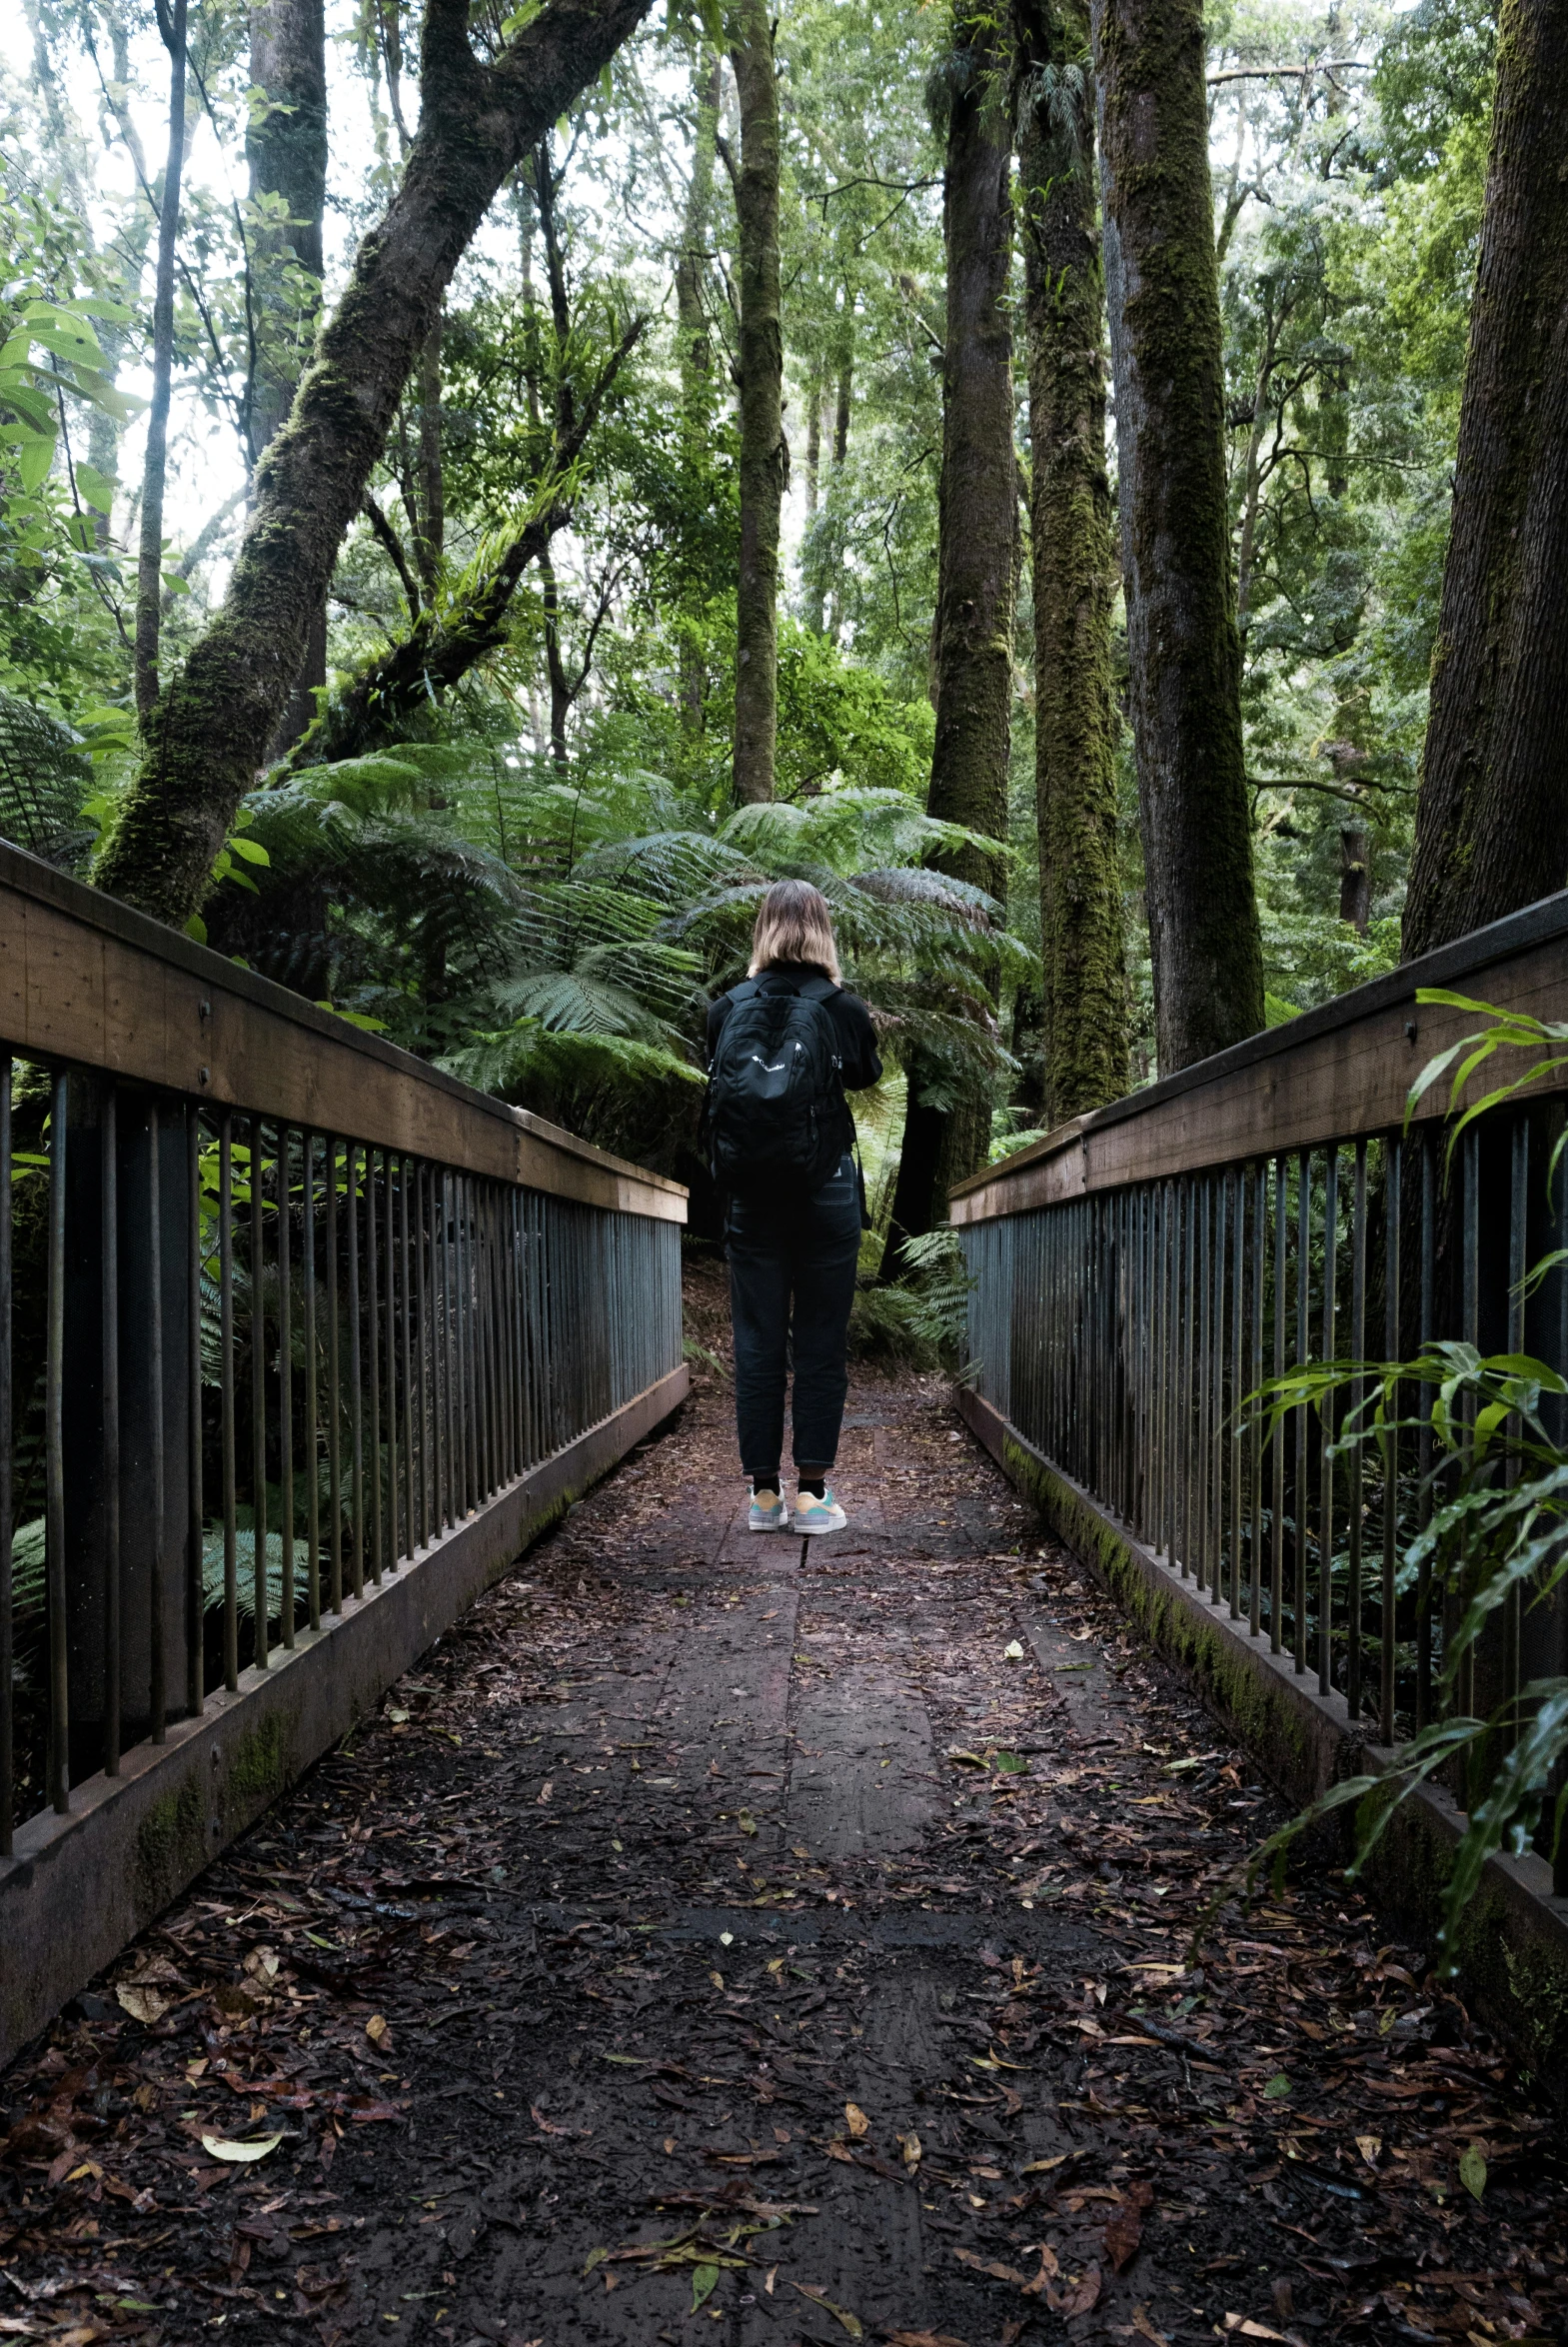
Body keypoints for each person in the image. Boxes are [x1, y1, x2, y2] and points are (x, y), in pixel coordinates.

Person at [706, 880, 882, 1534]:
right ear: (821, 930)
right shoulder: (842, 1007)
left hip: (751, 1199)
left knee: (755, 1343)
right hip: (826, 1193)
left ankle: (761, 1497)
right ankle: (812, 1496)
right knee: (818, 1341)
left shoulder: (725, 1007)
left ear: (762, 930)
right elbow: (866, 1075)